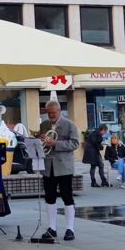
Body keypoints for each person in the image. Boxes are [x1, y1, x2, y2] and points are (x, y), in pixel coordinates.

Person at [38, 100, 81, 242]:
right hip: (48, 166)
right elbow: (42, 144)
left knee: (67, 196)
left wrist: (55, 143)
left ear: (59, 111)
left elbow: (75, 143)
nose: (51, 115)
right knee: (49, 196)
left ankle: (70, 229)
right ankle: (52, 228)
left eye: (53, 112)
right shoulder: (44, 125)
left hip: (64, 167)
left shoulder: (69, 124)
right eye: (48, 113)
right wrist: (40, 141)